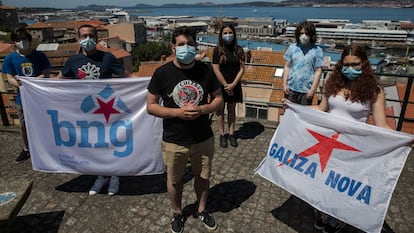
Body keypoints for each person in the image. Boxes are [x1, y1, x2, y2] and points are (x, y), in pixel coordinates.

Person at [147, 27, 223, 233]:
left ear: (196, 46)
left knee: (203, 177)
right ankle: (177, 212)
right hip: (173, 139)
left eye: (190, 44)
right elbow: (151, 106)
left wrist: (203, 109)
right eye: (181, 44)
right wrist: (177, 113)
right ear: (173, 47)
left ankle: (201, 209)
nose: (186, 48)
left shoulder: (205, 70)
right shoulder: (162, 73)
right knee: (174, 180)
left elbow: (218, 98)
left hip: (203, 137)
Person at [310, 45, 392, 233]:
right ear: (341, 65)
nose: (350, 68)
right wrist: (294, 107)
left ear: (364, 64)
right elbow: (321, 109)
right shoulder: (333, 85)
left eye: (355, 64)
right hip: (327, 141)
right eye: (346, 65)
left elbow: (382, 124)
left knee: (341, 183)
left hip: (351, 147)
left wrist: (406, 139)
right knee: (324, 178)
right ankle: (323, 211)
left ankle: (336, 219)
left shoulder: (374, 91)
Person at [57, 24, 129, 196]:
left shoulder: (108, 57)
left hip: (106, 109)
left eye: (90, 35)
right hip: (84, 110)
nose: (87, 39)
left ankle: (114, 176)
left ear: (97, 38)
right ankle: (100, 175)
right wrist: (33, 84)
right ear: (78, 39)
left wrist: (150, 82)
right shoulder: (73, 61)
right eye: (84, 36)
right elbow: (60, 79)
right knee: (94, 146)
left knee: (109, 143)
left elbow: (126, 76)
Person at [2, 26, 51, 163]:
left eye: (24, 39)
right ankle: (26, 149)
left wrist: (34, 82)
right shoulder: (10, 58)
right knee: (23, 125)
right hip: (21, 98)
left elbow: (46, 72)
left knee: (43, 122)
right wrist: (19, 84)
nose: (22, 41)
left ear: (29, 39)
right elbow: (9, 77)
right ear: (14, 41)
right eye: (18, 39)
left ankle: (45, 146)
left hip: (39, 97)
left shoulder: (39, 56)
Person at [212, 25, 245, 148]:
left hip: (234, 84)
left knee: (232, 110)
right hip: (221, 85)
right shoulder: (217, 51)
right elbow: (216, 69)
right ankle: (222, 135)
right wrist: (226, 85)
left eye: (230, 32)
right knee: (220, 110)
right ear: (221, 35)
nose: (228, 35)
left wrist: (233, 85)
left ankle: (231, 134)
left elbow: (242, 69)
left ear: (234, 34)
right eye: (225, 33)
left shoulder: (239, 50)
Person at [282, 20, 324, 105]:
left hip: (306, 91)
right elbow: (287, 66)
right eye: (301, 33)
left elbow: (318, 71)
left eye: (306, 33)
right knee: (289, 112)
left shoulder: (318, 51)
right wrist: (284, 84)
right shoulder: (292, 48)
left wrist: (313, 89)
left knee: (304, 115)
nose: (304, 36)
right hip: (291, 89)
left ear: (311, 35)